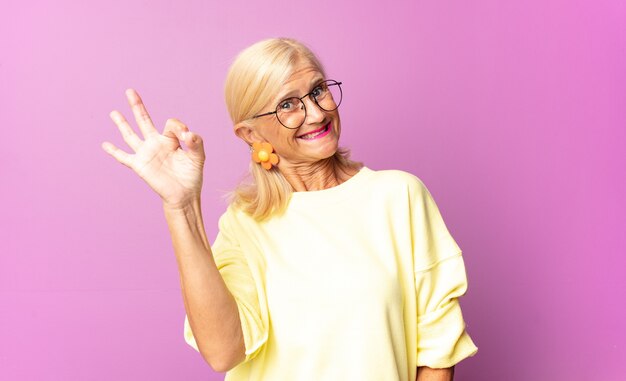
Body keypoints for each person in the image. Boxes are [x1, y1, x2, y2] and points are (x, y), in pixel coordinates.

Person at [101, 37, 478, 381]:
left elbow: (437, 348)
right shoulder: (245, 225)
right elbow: (222, 352)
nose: (315, 114)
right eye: (287, 105)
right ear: (250, 134)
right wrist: (181, 207)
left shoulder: (399, 197)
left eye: (317, 91)